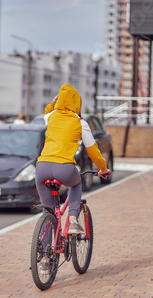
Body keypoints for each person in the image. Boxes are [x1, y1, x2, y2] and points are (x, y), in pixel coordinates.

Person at [35, 84, 110, 272]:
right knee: (76, 184)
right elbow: (93, 151)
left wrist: (53, 103)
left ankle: (44, 258)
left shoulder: (51, 117)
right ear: (77, 103)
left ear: (59, 101)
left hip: (42, 168)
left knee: (48, 212)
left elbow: (46, 112)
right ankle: (74, 220)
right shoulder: (80, 122)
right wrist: (103, 168)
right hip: (65, 169)